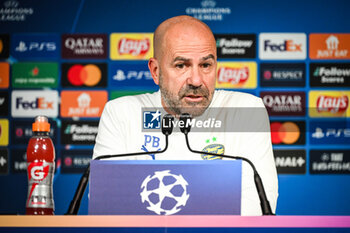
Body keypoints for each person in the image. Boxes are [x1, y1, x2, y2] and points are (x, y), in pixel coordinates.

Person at [93, 15, 278, 215]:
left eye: (206, 65)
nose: (196, 80)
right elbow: (107, 207)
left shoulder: (245, 111)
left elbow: (258, 208)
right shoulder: (121, 113)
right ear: (155, 71)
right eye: (181, 65)